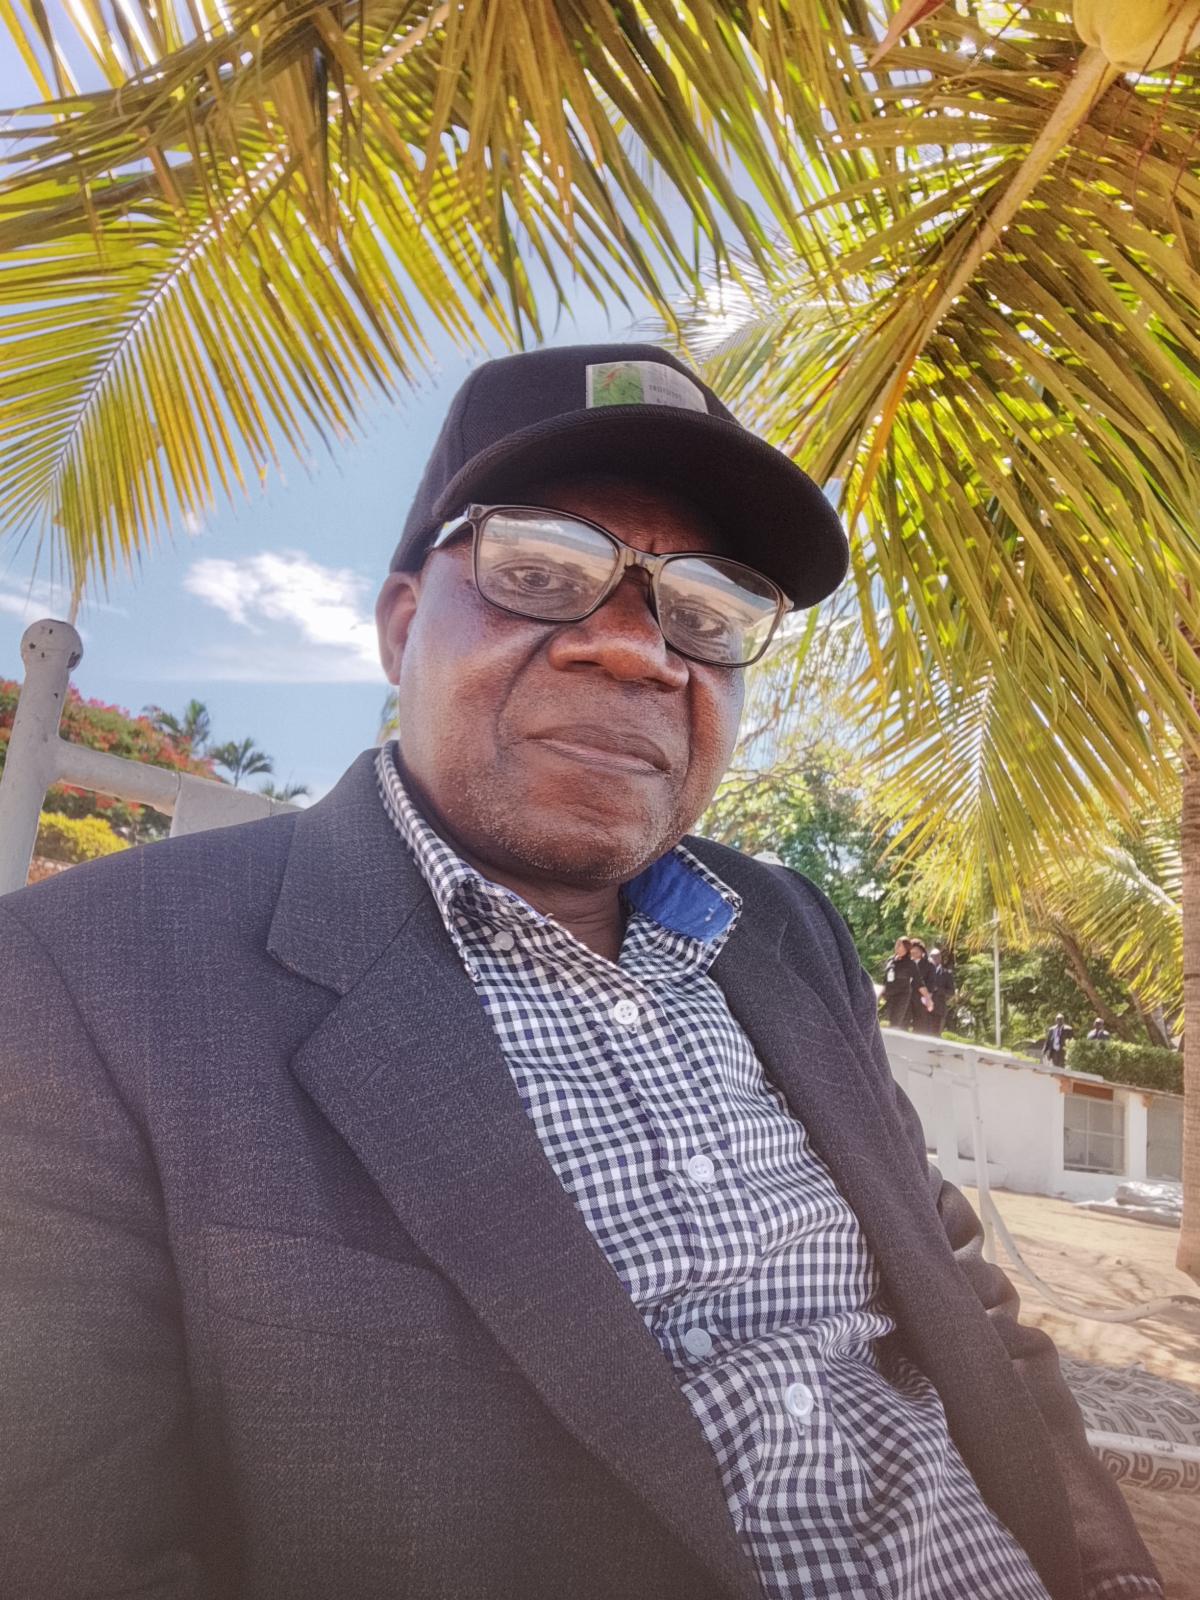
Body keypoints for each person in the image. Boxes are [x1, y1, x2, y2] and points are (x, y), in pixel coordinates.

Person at [0, 343, 1161, 1600]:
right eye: (542, 571)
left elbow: (961, 1299)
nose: (638, 651)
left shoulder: (790, 931)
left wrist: (1114, 1578)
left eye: (706, 612)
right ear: (402, 627)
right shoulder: (86, 983)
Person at [881, 935, 917, 1029]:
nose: (897, 946)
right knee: (890, 1018)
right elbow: (886, 977)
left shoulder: (910, 963)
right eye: (897, 944)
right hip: (890, 993)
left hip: (902, 995)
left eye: (900, 945)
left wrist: (927, 997)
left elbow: (918, 980)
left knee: (896, 1020)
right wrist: (883, 990)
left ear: (906, 949)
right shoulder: (891, 959)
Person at [927, 946, 956, 1037]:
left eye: (936, 956)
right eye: (932, 956)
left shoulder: (946, 973)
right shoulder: (925, 971)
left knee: (935, 1036)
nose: (934, 958)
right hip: (924, 1009)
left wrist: (938, 989)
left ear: (940, 958)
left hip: (938, 1009)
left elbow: (951, 992)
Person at [908, 937, 936, 1032]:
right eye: (912, 949)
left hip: (921, 997)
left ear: (922, 951)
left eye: (917, 950)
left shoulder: (929, 965)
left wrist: (928, 997)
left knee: (919, 1023)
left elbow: (931, 982)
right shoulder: (906, 963)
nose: (914, 952)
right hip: (906, 996)